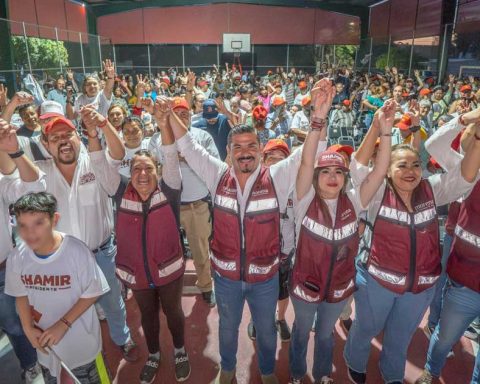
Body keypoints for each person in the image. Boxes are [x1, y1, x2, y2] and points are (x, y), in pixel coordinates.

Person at [165, 87, 327, 383]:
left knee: (266, 330)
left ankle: (266, 371)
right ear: (228, 152)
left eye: (251, 145)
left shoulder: (276, 178)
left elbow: (307, 156)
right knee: (227, 327)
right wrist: (169, 115)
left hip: (265, 278)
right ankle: (227, 369)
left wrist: (318, 117)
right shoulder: (217, 175)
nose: (244, 152)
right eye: (237, 147)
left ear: (261, 150)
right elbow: (188, 146)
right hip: (226, 278)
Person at [344, 106, 480, 384]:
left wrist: (478, 139)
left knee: (401, 334)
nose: (410, 170)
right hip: (376, 282)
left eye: (416, 164)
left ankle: (392, 374)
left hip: (419, 288)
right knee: (366, 327)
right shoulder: (376, 191)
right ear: (387, 170)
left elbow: (465, 176)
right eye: (401, 165)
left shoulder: (432, 188)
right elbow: (358, 167)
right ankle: (354, 360)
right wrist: (377, 128)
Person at [288, 89, 394, 384]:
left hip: (338, 287)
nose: (332, 176)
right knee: (300, 332)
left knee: (325, 335)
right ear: (316, 176)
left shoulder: (356, 200)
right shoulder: (304, 199)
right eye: (326, 171)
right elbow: (307, 161)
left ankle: (322, 374)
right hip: (305, 286)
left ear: (346, 177)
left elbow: (381, 169)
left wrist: (384, 133)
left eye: (338, 171)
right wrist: (317, 120)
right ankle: (297, 373)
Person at [34, 111, 138, 362]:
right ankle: (82, 353)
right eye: (55, 137)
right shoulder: (39, 173)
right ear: (46, 145)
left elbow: (118, 153)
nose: (63, 140)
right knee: (68, 308)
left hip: (101, 253)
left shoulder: (94, 162)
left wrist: (100, 126)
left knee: (112, 301)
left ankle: (122, 338)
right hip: (61, 259)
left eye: (68, 134)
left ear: (78, 138)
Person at [109, 98, 190, 383]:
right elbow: (98, 160)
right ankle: (154, 354)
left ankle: (180, 350)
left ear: (158, 171)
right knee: (148, 316)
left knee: (173, 312)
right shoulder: (120, 193)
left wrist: (164, 121)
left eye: (148, 169)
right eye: (136, 170)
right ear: (129, 174)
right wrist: (99, 129)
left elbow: (170, 153)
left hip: (169, 270)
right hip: (137, 272)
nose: (142, 174)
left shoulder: (170, 190)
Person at [5, 192, 110, 383]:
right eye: (23, 226)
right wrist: (28, 328)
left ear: (55, 220)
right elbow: (20, 294)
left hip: (83, 347)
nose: (30, 233)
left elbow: (93, 291)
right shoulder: (17, 257)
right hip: (47, 351)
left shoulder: (77, 251)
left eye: (38, 223)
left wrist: (63, 324)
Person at [414, 108, 480, 384]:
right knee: (445, 336)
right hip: (466, 278)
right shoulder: (469, 171)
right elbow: (435, 145)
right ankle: (432, 370)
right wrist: (467, 118)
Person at [148, 97, 219, 307]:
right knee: (166, 250)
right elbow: (152, 166)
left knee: (200, 250)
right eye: (176, 113)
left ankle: (206, 286)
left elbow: (213, 166)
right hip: (167, 205)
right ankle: (167, 287)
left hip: (196, 203)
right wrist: (173, 158)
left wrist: (186, 157)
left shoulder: (202, 136)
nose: (181, 117)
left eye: (185, 113)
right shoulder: (156, 138)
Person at [0, 119, 46, 383]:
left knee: (15, 326)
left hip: (3, 272)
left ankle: (30, 365)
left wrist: (15, 152)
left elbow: (33, 190)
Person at [247, 138, 294, 343]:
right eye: (270, 159)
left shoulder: (296, 188)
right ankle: (256, 320)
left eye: (281, 159)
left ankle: (280, 318)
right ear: (263, 161)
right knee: (255, 290)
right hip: (258, 252)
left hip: (285, 252)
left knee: (283, 291)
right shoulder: (251, 185)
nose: (275, 164)